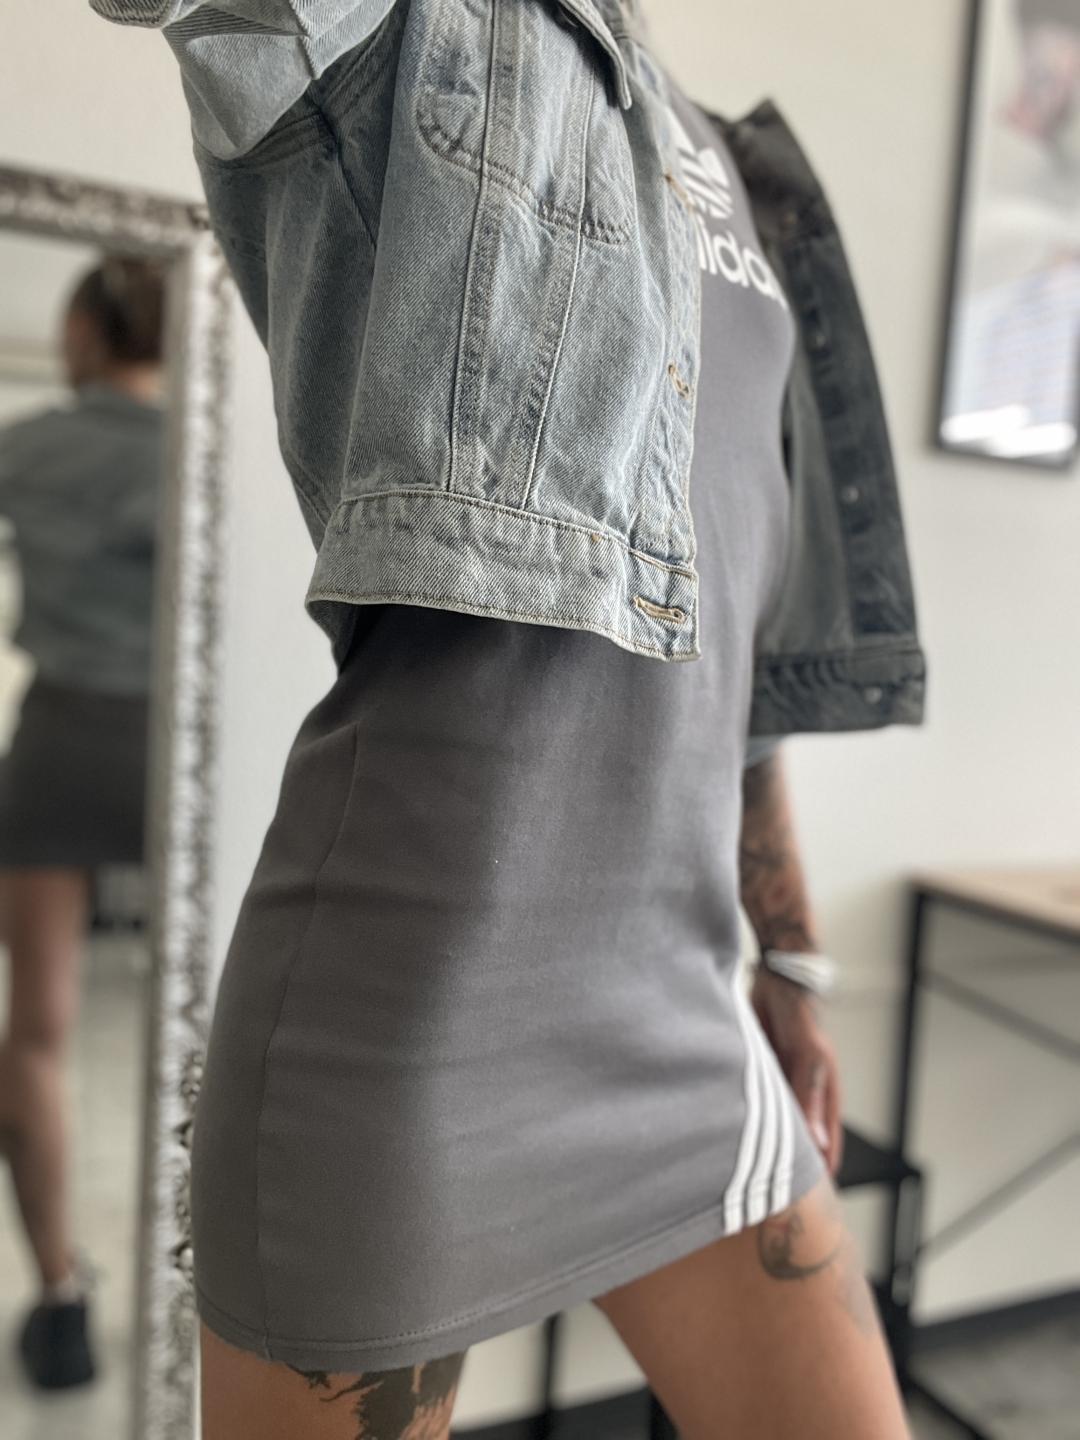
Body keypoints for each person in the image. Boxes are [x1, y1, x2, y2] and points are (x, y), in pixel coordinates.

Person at [89, 3, 927, 1437]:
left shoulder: (744, 172)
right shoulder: (411, 27)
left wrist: (786, 950)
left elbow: (737, 632)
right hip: (409, 1012)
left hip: (684, 1008)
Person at [0, 254, 167, 1388]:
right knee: (218, 1016)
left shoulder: (30, 446)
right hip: (177, 741)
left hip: (60, 735)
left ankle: (60, 1300)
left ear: (86, 332)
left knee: (37, 1031)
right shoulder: (208, 447)